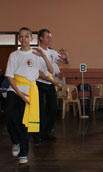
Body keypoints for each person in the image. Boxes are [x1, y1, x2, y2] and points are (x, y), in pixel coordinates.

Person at [4, 27, 53, 164]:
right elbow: (9, 76)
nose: (23, 39)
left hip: (30, 91)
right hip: (15, 90)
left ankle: (24, 153)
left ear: (31, 38)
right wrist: (19, 93)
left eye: (26, 36)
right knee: (9, 116)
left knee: (24, 122)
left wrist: (43, 55)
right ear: (19, 38)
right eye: (21, 36)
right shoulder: (14, 55)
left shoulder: (36, 54)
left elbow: (51, 70)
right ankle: (15, 142)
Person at [33, 29, 69, 144]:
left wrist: (66, 57)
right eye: (47, 37)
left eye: (50, 37)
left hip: (50, 85)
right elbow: (38, 72)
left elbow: (66, 62)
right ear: (41, 38)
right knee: (41, 111)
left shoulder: (52, 52)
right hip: (39, 84)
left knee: (52, 109)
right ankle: (37, 135)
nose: (50, 39)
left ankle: (46, 133)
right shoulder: (35, 52)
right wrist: (52, 81)